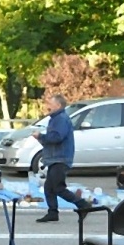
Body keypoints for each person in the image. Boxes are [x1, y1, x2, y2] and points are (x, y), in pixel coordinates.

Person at [34, 93, 93, 222]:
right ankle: (53, 212)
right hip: (55, 158)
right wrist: (42, 139)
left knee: (58, 187)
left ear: (59, 105)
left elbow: (57, 137)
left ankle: (82, 204)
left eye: (51, 104)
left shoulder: (60, 119)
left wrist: (41, 136)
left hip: (60, 158)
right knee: (49, 187)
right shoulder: (55, 119)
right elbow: (53, 139)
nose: (48, 106)